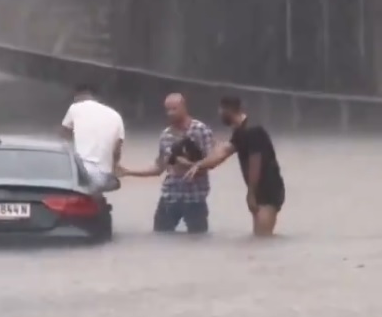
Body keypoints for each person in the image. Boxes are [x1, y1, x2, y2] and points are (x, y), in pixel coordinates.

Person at [184, 95, 285, 237]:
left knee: (264, 237)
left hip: (269, 190)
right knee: (259, 239)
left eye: (220, 110)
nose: (219, 113)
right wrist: (199, 165)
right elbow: (223, 153)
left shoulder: (252, 130)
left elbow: (255, 162)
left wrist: (251, 193)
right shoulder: (240, 131)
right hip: (259, 190)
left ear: (228, 110)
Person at [118, 93, 215, 234]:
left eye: (174, 109)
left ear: (184, 107)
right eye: (168, 110)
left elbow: (211, 161)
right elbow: (159, 168)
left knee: (198, 240)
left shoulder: (200, 130)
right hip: (170, 196)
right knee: (160, 237)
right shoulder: (166, 135)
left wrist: (186, 162)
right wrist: (128, 171)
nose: (171, 113)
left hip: (195, 197)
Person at [60, 84, 125, 191]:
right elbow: (117, 151)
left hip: (79, 170)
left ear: (78, 96)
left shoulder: (75, 107)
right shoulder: (116, 116)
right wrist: (115, 168)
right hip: (103, 174)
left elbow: (64, 136)